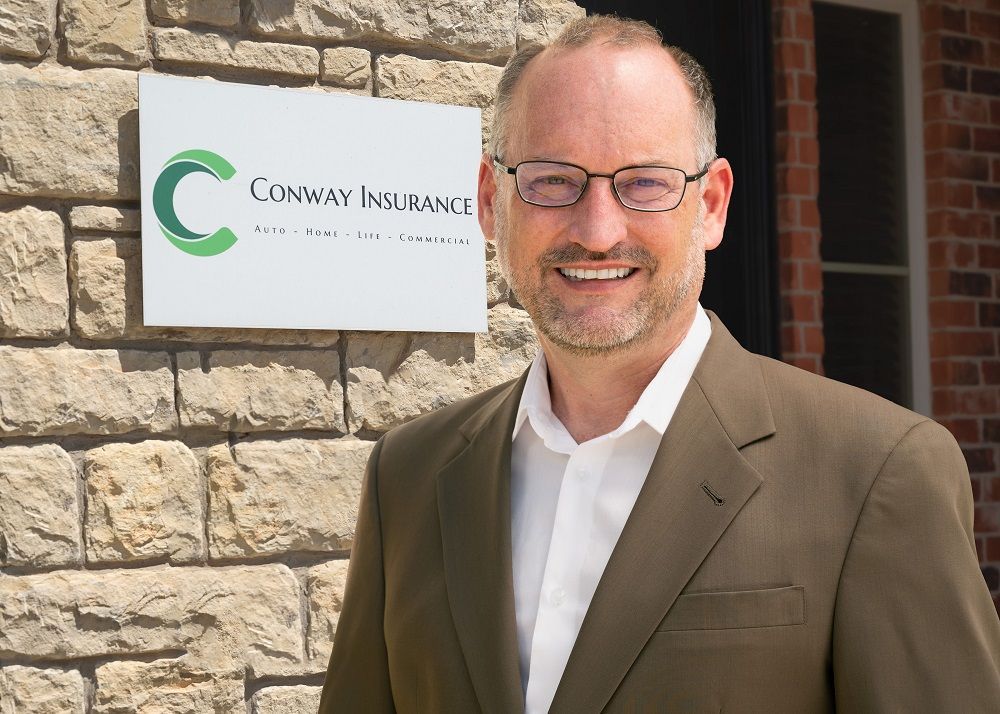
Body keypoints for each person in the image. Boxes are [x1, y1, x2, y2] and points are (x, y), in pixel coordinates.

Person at [319, 15, 1000, 713]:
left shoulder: (876, 474)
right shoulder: (408, 477)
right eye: (554, 181)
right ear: (492, 202)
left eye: (644, 183)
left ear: (710, 204)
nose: (597, 231)